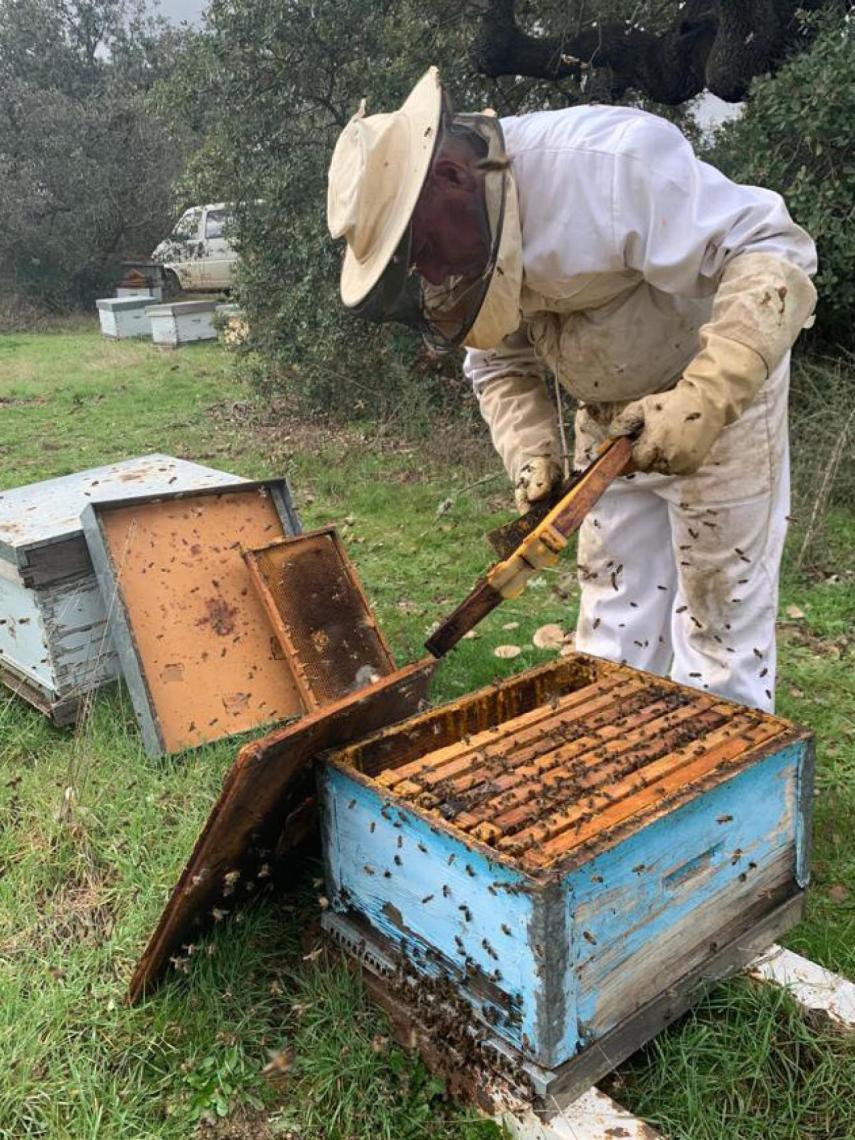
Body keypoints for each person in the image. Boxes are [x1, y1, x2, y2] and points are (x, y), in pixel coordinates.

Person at [326, 67, 817, 711]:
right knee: (615, 616)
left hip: (715, 406)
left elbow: (773, 251)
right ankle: (618, 771)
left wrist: (707, 395)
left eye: (420, 246)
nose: (430, 271)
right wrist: (532, 447)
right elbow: (496, 362)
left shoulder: (605, 164)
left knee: (721, 619)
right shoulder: (472, 238)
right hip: (608, 424)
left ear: (449, 179)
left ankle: (728, 796)